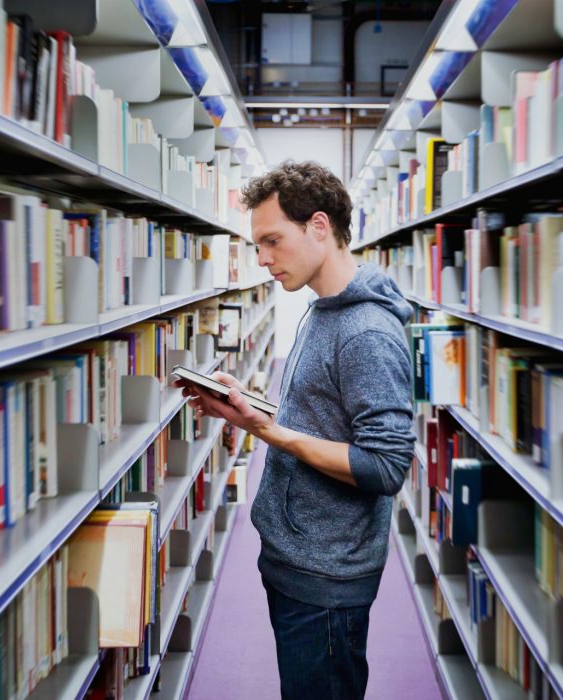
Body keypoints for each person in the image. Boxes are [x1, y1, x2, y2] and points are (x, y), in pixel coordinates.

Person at [176, 160, 415, 699]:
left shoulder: (366, 333)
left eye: (272, 241)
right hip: (297, 555)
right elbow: (320, 415)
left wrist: (269, 431)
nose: (262, 259)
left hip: (327, 575)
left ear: (319, 227)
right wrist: (248, 409)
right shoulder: (322, 309)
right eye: (257, 245)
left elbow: (385, 466)